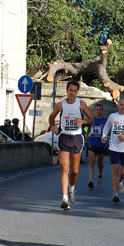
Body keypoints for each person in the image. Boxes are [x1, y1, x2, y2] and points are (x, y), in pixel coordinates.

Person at [48, 80, 94, 210]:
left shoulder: (81, 104)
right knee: (65, 169)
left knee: (74, 170)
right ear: (67, 91)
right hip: (64, 138)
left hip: (77, 138)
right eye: (70, 90)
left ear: (77, 92)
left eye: (74, 90)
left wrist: (83, 121)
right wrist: (52, 126)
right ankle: (64, 198)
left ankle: (72, 188)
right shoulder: (60, 105)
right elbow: (51, 117)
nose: (72, 93)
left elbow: (92, 119)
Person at [101, 99, 124, 203]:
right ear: (118, 106)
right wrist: (104, 136)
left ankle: (120, 181)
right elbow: (106, 128)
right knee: (115, 170)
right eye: (121, 105)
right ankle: (115, 194)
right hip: (114, 147)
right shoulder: (112, 116)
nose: (122, 107)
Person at [87, 103, 108, 189]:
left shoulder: (105, 121)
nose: (98, 111)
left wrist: (105, 132)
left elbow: (109, 132)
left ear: (102, 111)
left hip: (101, 144)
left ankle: (100, 174)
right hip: (92, 143)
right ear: (95, 110)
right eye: (97, 109)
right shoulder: (92, 120)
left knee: (99, 163)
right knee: (91, 161)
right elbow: (87, 128)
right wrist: (87, 134)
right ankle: (90, 181)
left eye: (100, 110)